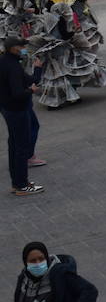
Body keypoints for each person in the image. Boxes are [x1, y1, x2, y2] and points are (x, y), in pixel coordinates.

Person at [2, 36, 43, 196]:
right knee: (21, 148)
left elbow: (32, 80)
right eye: (22, 46)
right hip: (17, 110)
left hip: (7, 109)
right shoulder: (12, 66)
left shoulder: (5, 62)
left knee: (14, 145)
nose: (24, 49)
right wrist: (31, 91)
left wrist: (37, 69)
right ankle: (21, 185)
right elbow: (19, 93)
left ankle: (17, 183)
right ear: (14, 48)